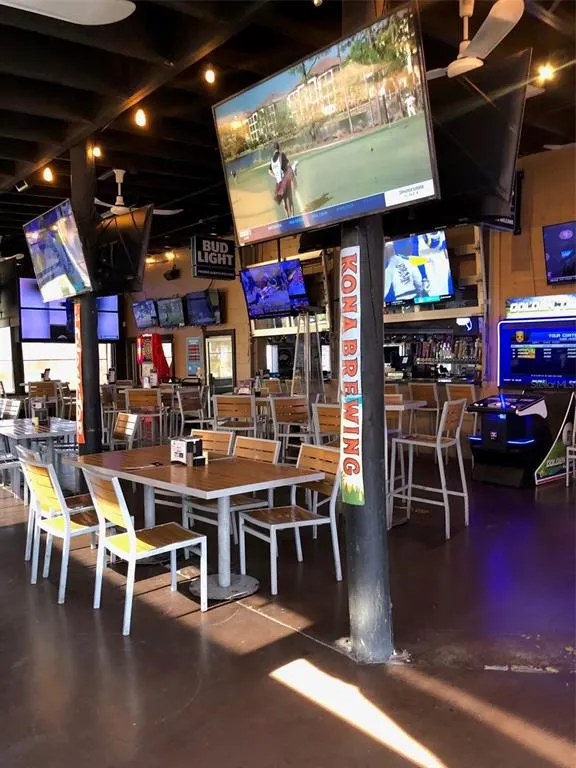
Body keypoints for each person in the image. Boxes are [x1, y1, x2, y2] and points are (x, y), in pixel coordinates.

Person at [268, 142, 295, 218]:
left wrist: (275, 176)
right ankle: (293, 217)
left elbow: (269, 171)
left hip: (279, 184)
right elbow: (288, 164)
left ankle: (287, 217)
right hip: (286, 181)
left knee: (284, 201)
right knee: (290, 199)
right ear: (279, 147)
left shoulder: (272, 160)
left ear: (273, 149)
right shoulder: (282, 155)